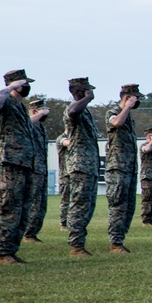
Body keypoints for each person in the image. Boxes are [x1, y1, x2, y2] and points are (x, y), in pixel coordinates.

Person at [0, 69, 38, 265]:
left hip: (25, 163)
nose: (27, 87)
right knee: (9, 206)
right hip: (10, 164)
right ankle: (3, 251)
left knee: (23, 210)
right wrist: (10, 87)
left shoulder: (19, 105)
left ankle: (12, 249)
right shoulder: (5, 101)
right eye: (24, 83)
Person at [104, 83, 141, 253]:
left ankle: (120, 239)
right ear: (127, 98)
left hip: (129, 168)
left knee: (129, 206)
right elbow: (117, 123)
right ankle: (115, 243)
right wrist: (126, 107)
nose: (138, 101)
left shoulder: (130, 117)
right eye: (136, 98)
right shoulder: (113, 113)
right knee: (118, 205)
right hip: (117, 167)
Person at [64, 76, 100, 257]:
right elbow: (71, 112)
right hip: (80, 165)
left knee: (87, 205)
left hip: (89, 166)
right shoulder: (74, 109)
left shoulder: (85, 111)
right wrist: (88, 99)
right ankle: (76, 246)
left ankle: (80, 244)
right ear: (78, 92)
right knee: (79, 205)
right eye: (86, 90)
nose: (90, 92)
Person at [22, 98, 51, 243]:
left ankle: (32, 233)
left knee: (41, 203)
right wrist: (38, 114)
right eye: (43, 111)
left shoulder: (41, 128)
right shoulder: (29, 124)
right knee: (32, 202)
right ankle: (27, 233)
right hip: (33, 169)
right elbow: (25, 124)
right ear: (35, 111)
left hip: (41, 169)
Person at [140, 127, 152, 227]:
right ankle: (145, 220)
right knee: (147, 199)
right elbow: (147, 149)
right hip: (147, 176)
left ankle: (150, 220)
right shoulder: (144, 145)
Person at [55, 129, 71, 231]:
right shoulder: (62, 138)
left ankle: (72, 222)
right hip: (65, 175)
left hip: (75, 175)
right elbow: (67, 143)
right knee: (66, 200)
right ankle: (63, 224)